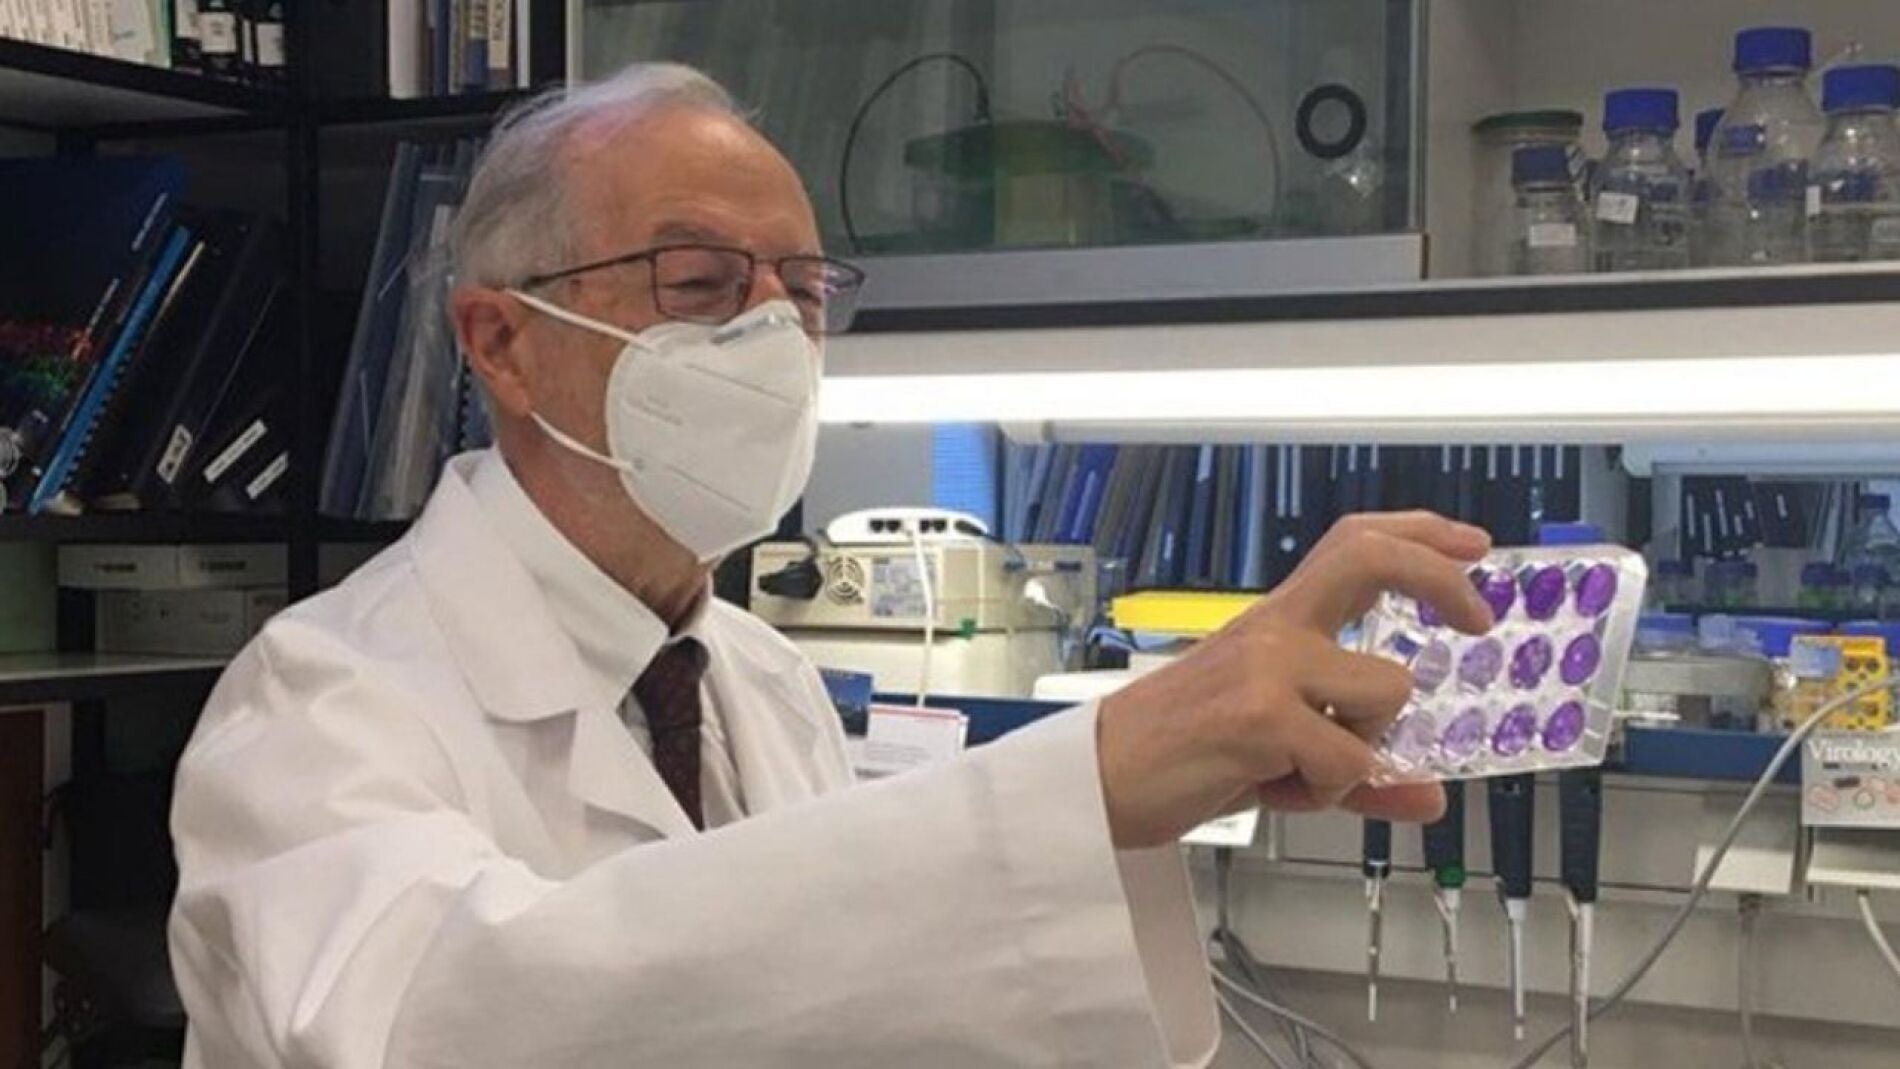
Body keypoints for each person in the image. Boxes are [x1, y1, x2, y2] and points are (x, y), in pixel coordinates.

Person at [168, 63, 1492, 1068]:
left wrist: (1116, 824)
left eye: (802, 292)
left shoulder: (761, 680)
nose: (771, 338)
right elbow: (432, 1026)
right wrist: (1074, 785)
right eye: (699, 282)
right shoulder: (319, 705)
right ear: (503, 344)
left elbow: (838, 994)